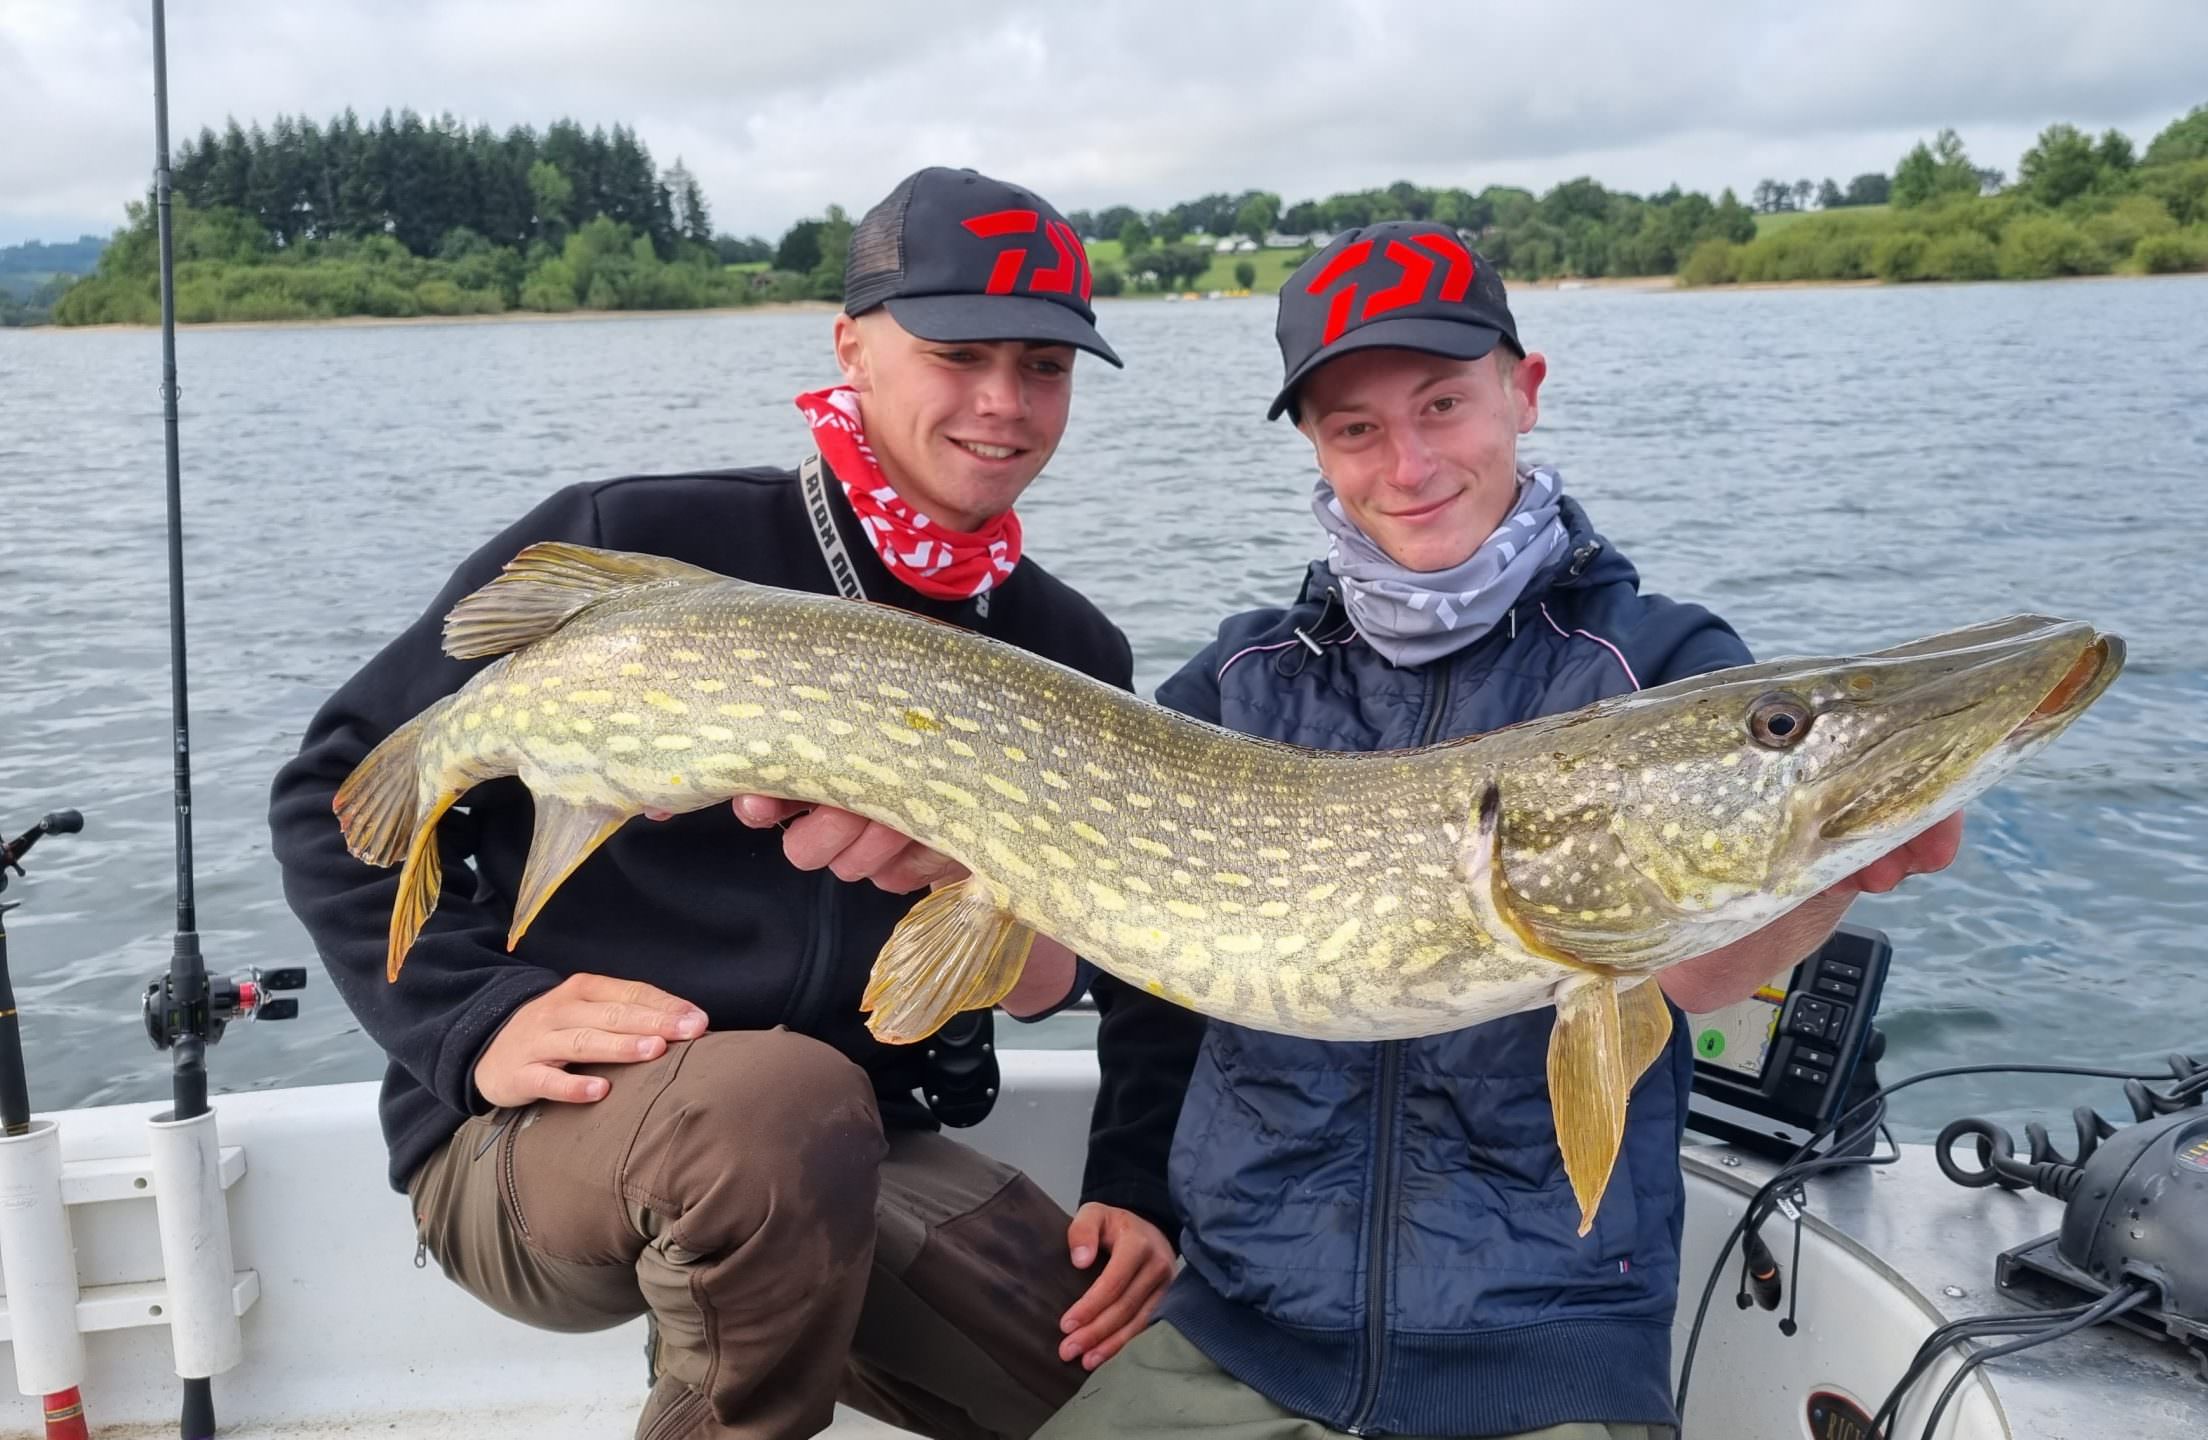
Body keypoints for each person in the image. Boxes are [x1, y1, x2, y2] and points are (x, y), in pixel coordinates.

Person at [267, 165, 1201, 1440]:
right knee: (770, 1110)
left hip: (850, 1150)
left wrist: (1136, 1182)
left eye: (1044, 366)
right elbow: (342, 787)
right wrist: (470, 1016)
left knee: (1152, 1408)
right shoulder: (641, 538)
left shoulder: (1064, 648)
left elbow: (1147, 933)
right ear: (852, 347)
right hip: (533, 1137)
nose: (1004, 403)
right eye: (958, 352)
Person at [1028, 221, 1964, 1440]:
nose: (1407, 463)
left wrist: (1834, 860)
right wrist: (1129, 1180)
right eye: (1355, 427)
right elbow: (1134, 974)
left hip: (1541, 1359)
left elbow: (1685, 974)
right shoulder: (1240, 678)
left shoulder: (1662, 667)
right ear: (1314, 444)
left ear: (1522, 392)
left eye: (1442, 405)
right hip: (1234, 1336)